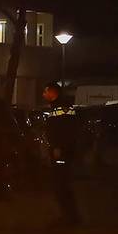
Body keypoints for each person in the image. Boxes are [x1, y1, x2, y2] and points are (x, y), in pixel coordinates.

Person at [41, 82, 81, 226]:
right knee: (61, 185)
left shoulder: (61, 108)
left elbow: (62, 129)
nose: (43, 95)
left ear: (53, 92)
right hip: (61, 150)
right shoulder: (60, 106)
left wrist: (58, 147)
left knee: (61, 185)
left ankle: (70, 218)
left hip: (62, 152)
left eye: (45, 92)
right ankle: (70, 216)